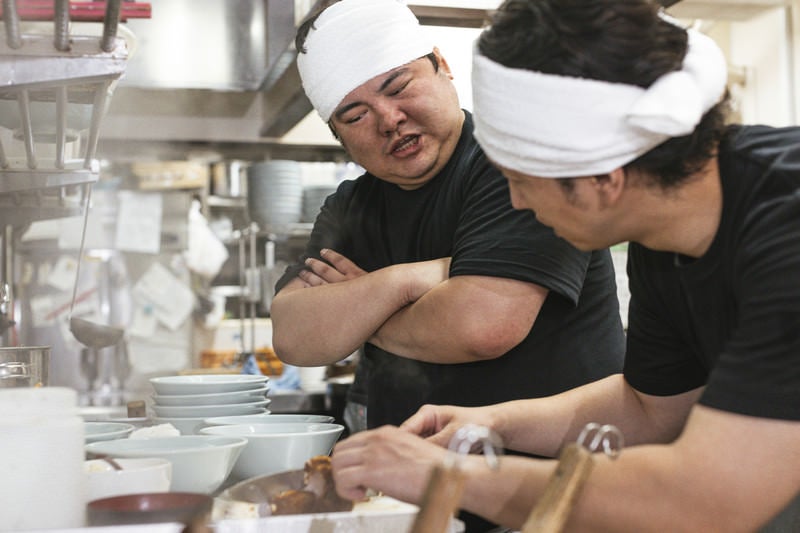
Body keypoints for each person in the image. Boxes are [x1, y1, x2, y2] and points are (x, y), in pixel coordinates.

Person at [328, 0, 800, 531]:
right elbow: (650, 409)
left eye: (522, 180)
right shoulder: (664, 238)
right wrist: (492, 423)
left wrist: (447, 474)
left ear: (603, 176)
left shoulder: (787, 224)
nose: (519, 203)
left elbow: (705, 498)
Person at [270, 1, 626, 527]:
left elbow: (482, 325)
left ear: (441, 63)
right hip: (417, 501)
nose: (390, 119)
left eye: (397, 87)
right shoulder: (350, 206)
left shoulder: (517, 166)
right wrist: (408, 279)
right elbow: (295, 337)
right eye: (356, 114)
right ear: (339, 136)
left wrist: (361, 313)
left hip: (555, 499)